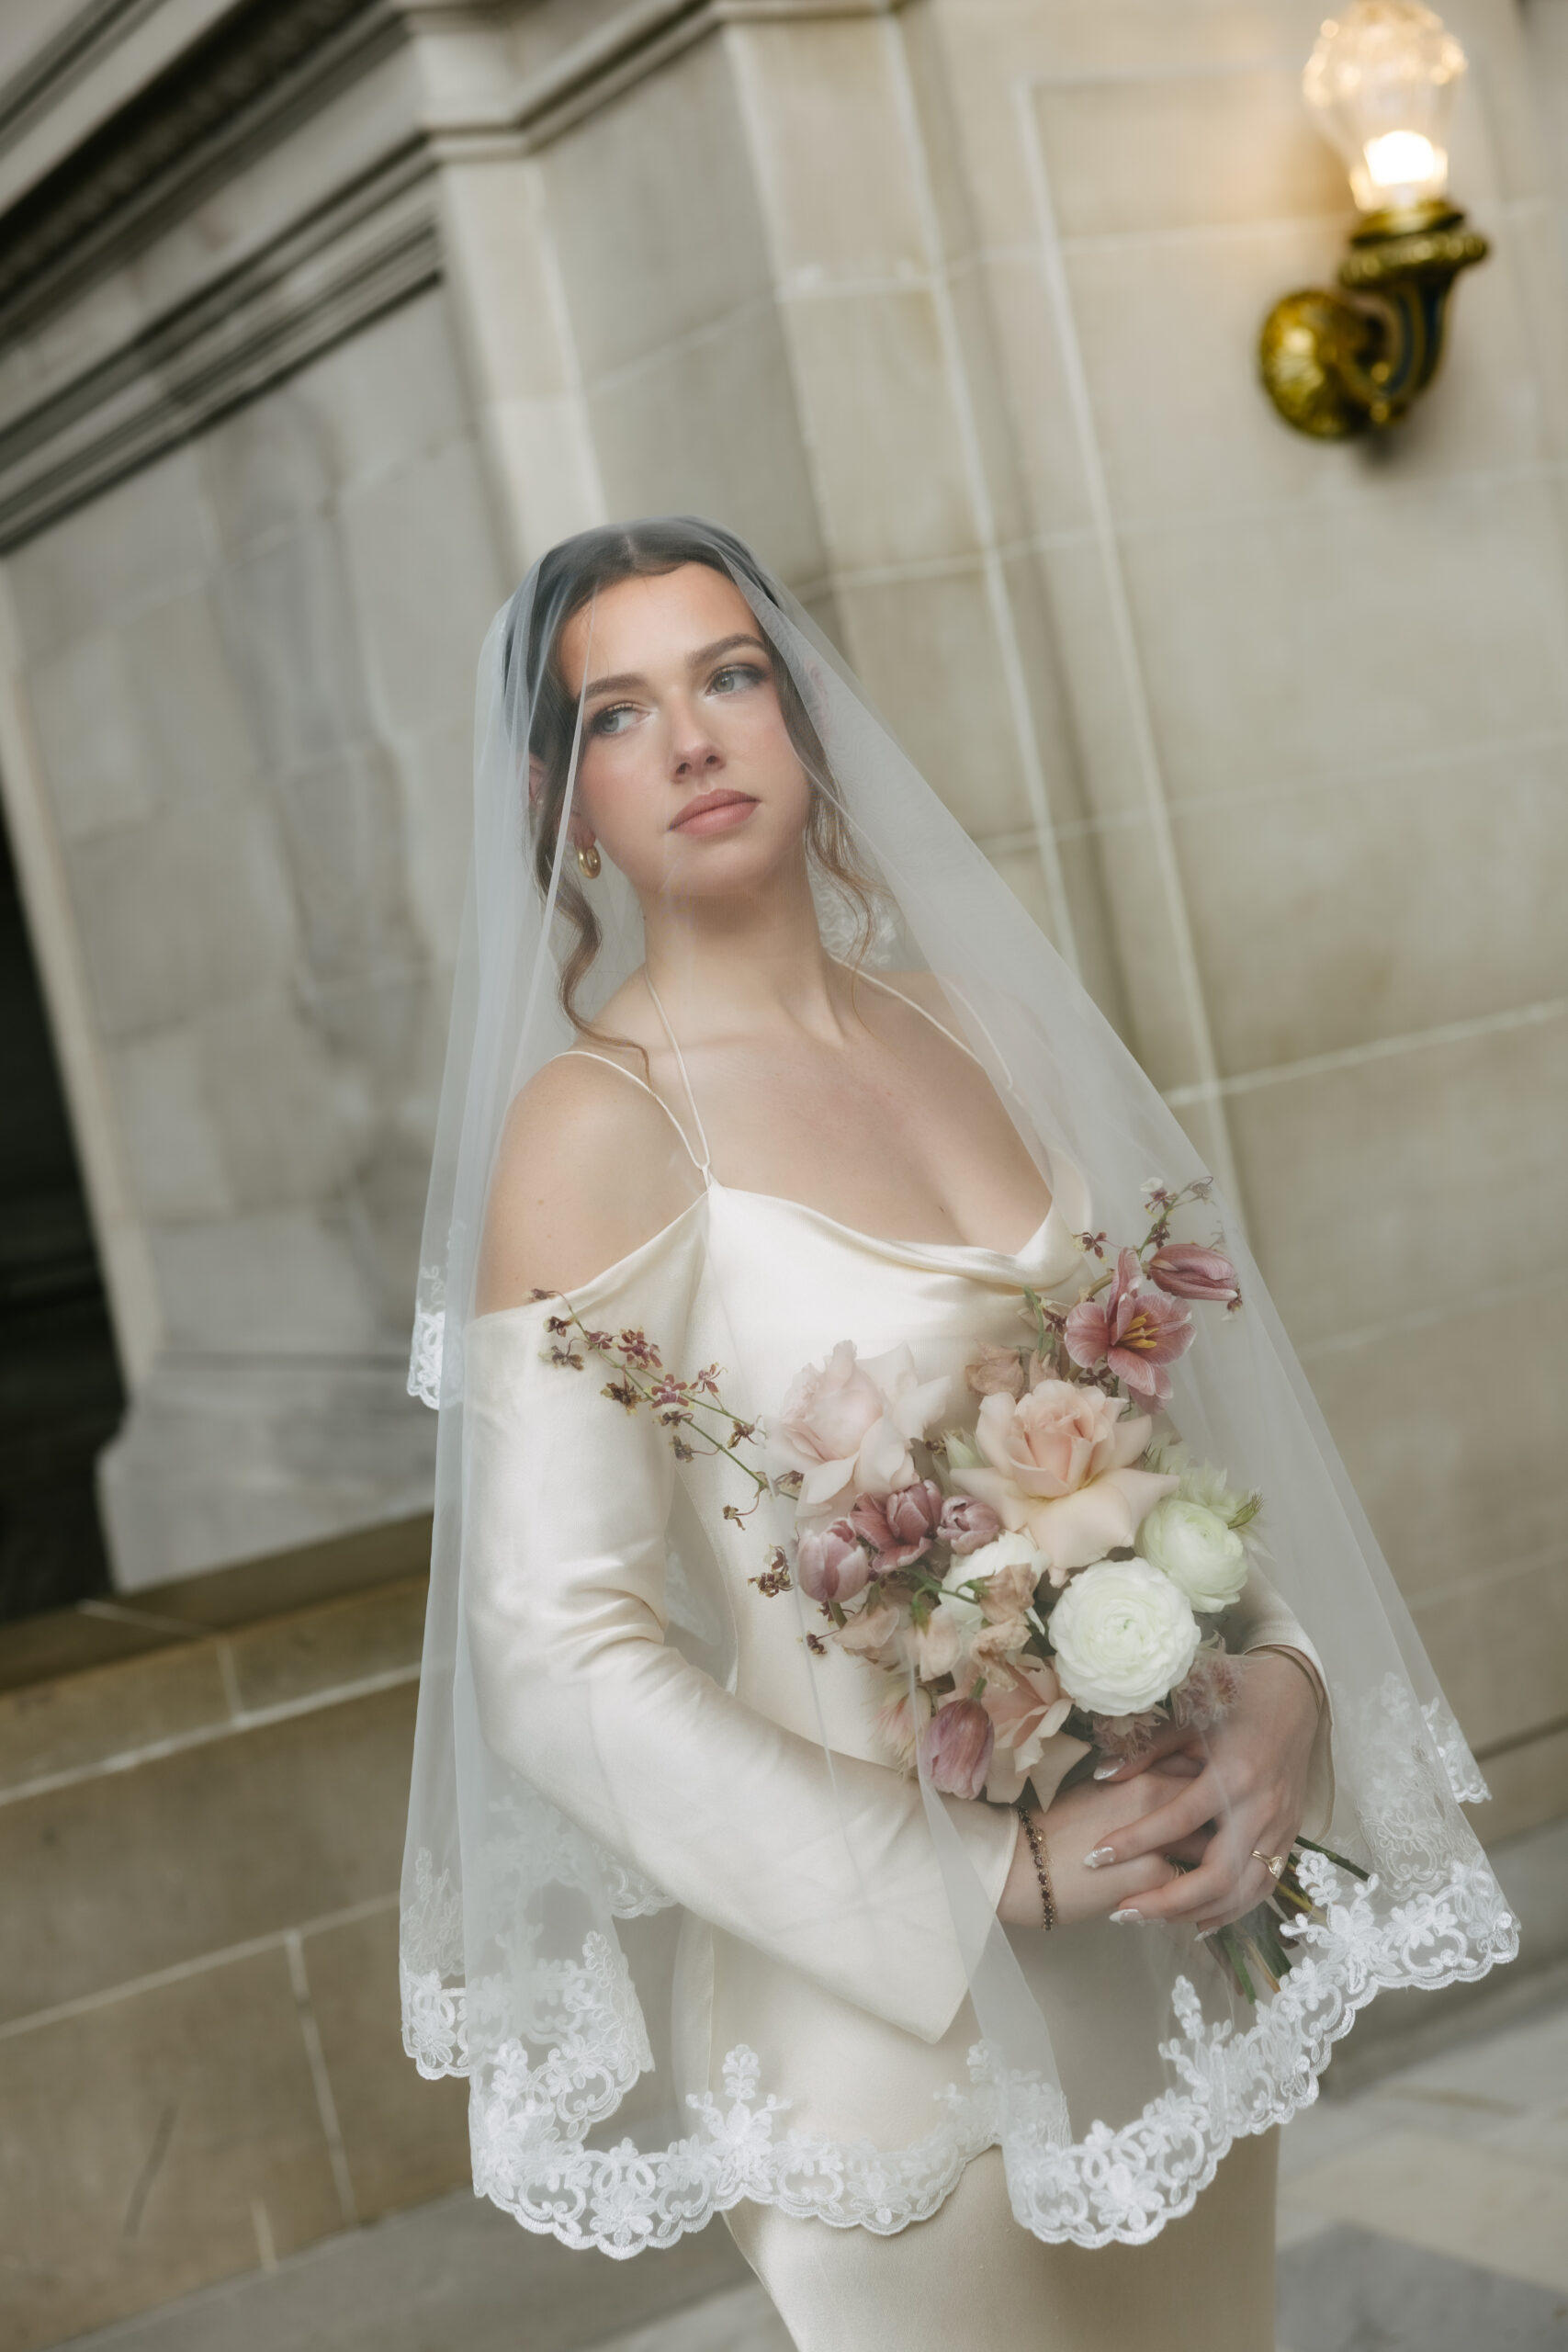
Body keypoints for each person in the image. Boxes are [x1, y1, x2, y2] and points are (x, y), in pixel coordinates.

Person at [400, 519, 1515, 2351]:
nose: (691, 740)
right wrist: (984, 1870)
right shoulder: (593, 1127)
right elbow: (553, 1656)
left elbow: (1177, 1451)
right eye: (621, 710)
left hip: (1159, 1944)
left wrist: (1281, 1686)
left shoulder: (984, 1029)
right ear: (565, 798)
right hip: (893, 2036)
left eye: (730, 676)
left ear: (807, 715)